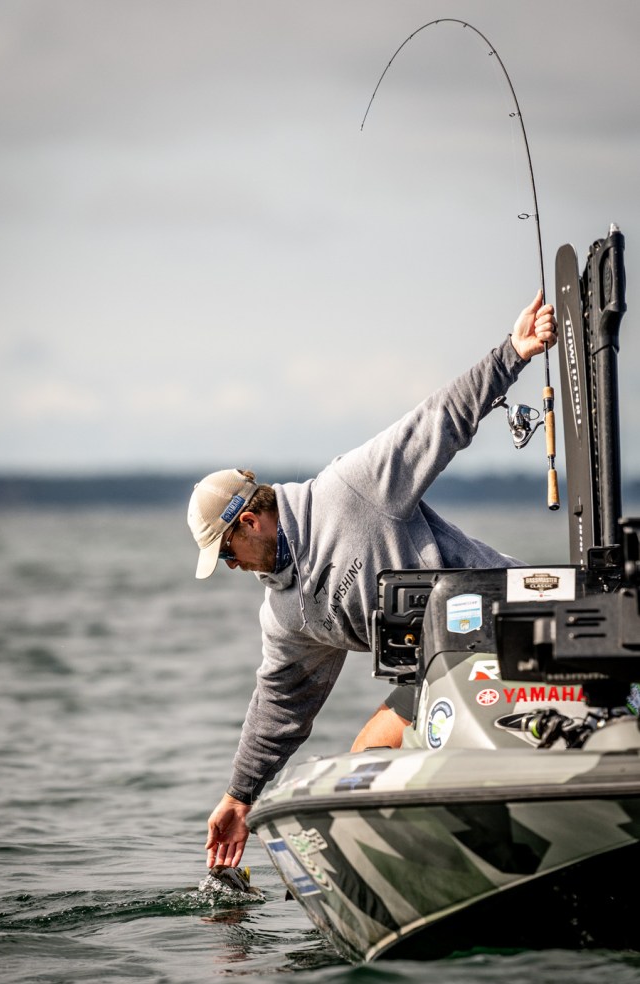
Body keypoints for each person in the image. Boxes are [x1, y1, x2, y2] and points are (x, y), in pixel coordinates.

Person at [187, 292, 557, 869]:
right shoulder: (285, 616)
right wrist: (240, 796)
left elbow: (439, 420)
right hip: (440, 676)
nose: (232, 568)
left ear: (250, 522)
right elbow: (281, 705)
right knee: (367, 760)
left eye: (227, 553)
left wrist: (514, 352)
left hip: (513, 622)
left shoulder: (350, 490)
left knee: (378, 748)